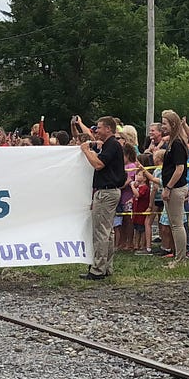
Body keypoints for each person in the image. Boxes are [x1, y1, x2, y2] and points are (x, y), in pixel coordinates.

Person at [81, 116, 126, 281]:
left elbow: (99, 164)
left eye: (99, 128)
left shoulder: (112, 145)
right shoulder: (111, 145)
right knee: (108, 232)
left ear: (108, 128)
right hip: (111, 191)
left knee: (101, 231)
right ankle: (106, 266)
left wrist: (87, 151)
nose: (96, 131)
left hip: (106, 192)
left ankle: (98, 268)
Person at [159, 110, 189, 263]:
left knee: (177, 225)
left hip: (176, 188)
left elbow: (180, 169)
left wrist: (168, 187)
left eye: (164, 123)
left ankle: (180, 259)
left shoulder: (177, 143)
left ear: (172, 124)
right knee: (174, 224)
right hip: (173, 187)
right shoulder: (173, 142)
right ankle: (178, 256)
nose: (162, 126)